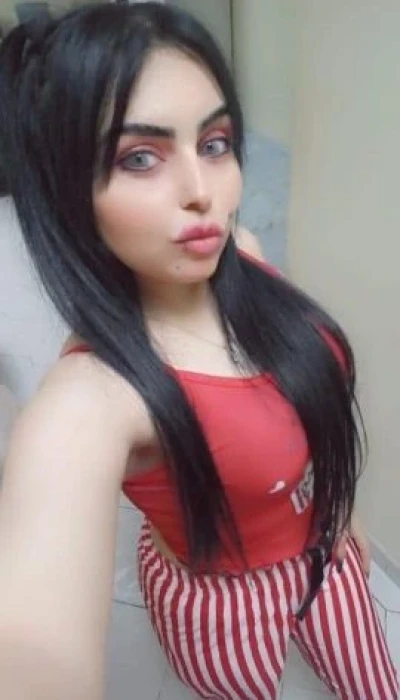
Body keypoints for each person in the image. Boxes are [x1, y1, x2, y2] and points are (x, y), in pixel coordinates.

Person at [0, 4, 397, 699]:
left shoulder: (242, 251)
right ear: (66, 191)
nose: (202, 192)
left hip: (326, 549)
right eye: (140, 157)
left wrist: (340, 505)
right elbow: (34, 650)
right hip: (218, 601)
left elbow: (301, 401)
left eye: (214, 143)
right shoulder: (93, 398)